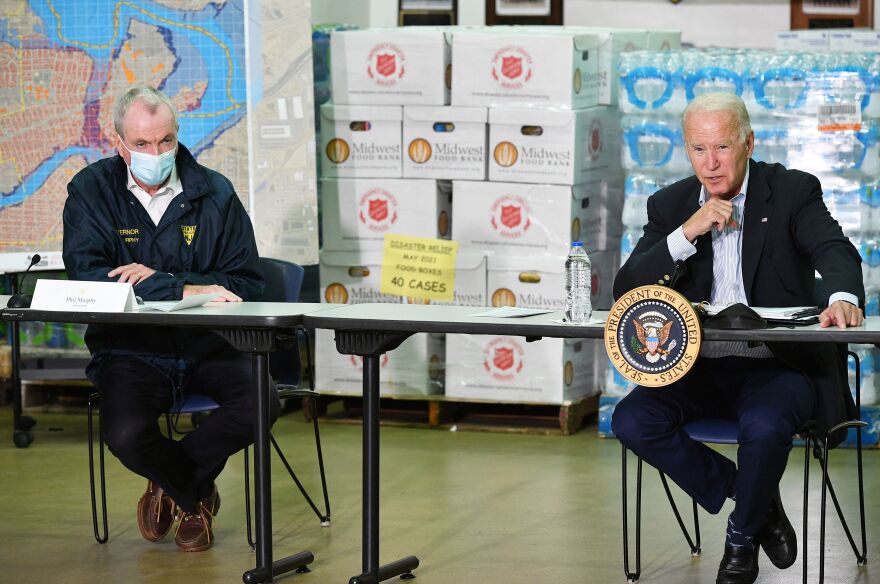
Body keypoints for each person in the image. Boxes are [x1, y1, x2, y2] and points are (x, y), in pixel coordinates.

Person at [611, 92, 864, 584]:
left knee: (767, 424)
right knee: (633, 420)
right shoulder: (671, 204)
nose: (710, 164)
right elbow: (628, 288)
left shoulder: (791, 191)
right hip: (698, 365)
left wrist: (841, 295)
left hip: (776, 365)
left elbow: (834, 249)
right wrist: (687, 232)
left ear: (748, 142)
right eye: (698, 150)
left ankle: (742, 538)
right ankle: (757, 499)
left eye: (722, 148)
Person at [63, 85, 278, 552]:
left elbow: (245, 282)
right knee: (123, 433)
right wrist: (187, 286)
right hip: (131, 348)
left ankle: (170, 481)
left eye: (165, 141)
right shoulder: (90, 191)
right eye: (141, 144)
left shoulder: (216, 192)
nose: (155, 153)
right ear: (118, 142)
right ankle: (196, 494)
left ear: (177, 136)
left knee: (264, 401)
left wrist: (165, 281)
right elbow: (89, 278)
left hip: (209, 342)